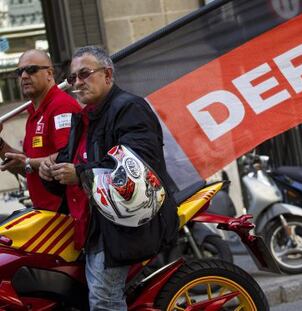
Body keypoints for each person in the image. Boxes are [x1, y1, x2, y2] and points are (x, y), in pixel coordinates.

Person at [39, 46, 178, 310]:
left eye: (85, 74)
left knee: (104, 301)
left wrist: (79, 174)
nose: (78, 82)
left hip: (121, 226)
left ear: (108, 75)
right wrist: (51, 172)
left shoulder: (129, 108)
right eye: (72, 78)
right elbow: (70, 167)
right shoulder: (82, 118)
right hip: (92, 224)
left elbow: (137, 166)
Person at [0, 49, 81, 211]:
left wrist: (28, 162)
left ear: (49, 73)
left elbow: (67, 157)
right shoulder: (34, 112)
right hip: (43, 212)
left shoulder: (61, 106)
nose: (23, 76)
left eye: (31, 70)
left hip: (64, 213)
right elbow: (28, 169)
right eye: (19, 71)